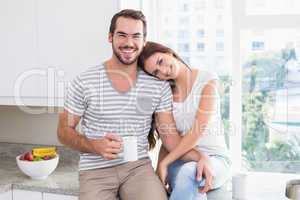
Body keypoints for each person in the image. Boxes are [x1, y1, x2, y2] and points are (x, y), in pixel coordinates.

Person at [57, 9, 212, 200]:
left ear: (144, 41)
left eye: (136, 36)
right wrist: (93, 145)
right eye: (122, 35)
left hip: (138, 170)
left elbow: (170, 139)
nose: (129, 43)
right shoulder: (84, 81)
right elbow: (63, 131)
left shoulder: (158, 84)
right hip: (95, 171)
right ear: (110, 37)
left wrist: (200, 157)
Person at [138, 41, 232, 200]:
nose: (162, 71)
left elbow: (197, 131)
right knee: (189, 177)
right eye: (156, 73)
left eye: (160, 61)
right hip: (179, 161)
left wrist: (164, 163)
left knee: (191, 172)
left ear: (168, 52)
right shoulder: (164, 93)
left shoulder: (207, 80)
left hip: (216, 159)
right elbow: (170, 140)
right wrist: (163, 166)